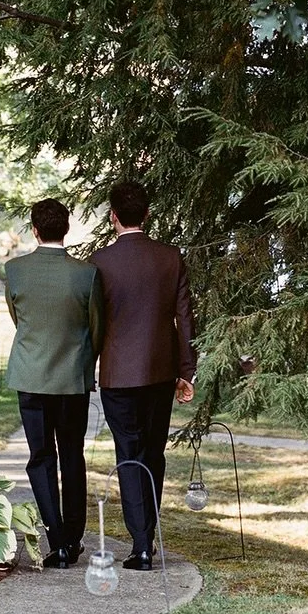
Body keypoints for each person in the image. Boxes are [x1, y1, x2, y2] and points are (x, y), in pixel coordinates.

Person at [93, 180, 196, 571]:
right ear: (146, 215)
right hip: (160, 373)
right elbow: (185, 319)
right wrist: (186, 371)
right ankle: (146, 538)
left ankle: (140, 546)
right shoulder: (171, 257)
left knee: (129, 454)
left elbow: (93, 325)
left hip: (118, 375)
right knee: (154, 453)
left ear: (113, 216)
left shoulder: (99, 263)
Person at [3, 198, 105, 569]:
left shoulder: (15, 270)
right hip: (71, 379)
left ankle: (57, 540)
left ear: (34, 229)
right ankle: (72, 539)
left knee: (41, 458)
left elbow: (19, 319)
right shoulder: (86, 274)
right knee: (72, 457)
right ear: (67, 229)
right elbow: (97, 329)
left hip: (30, 377)